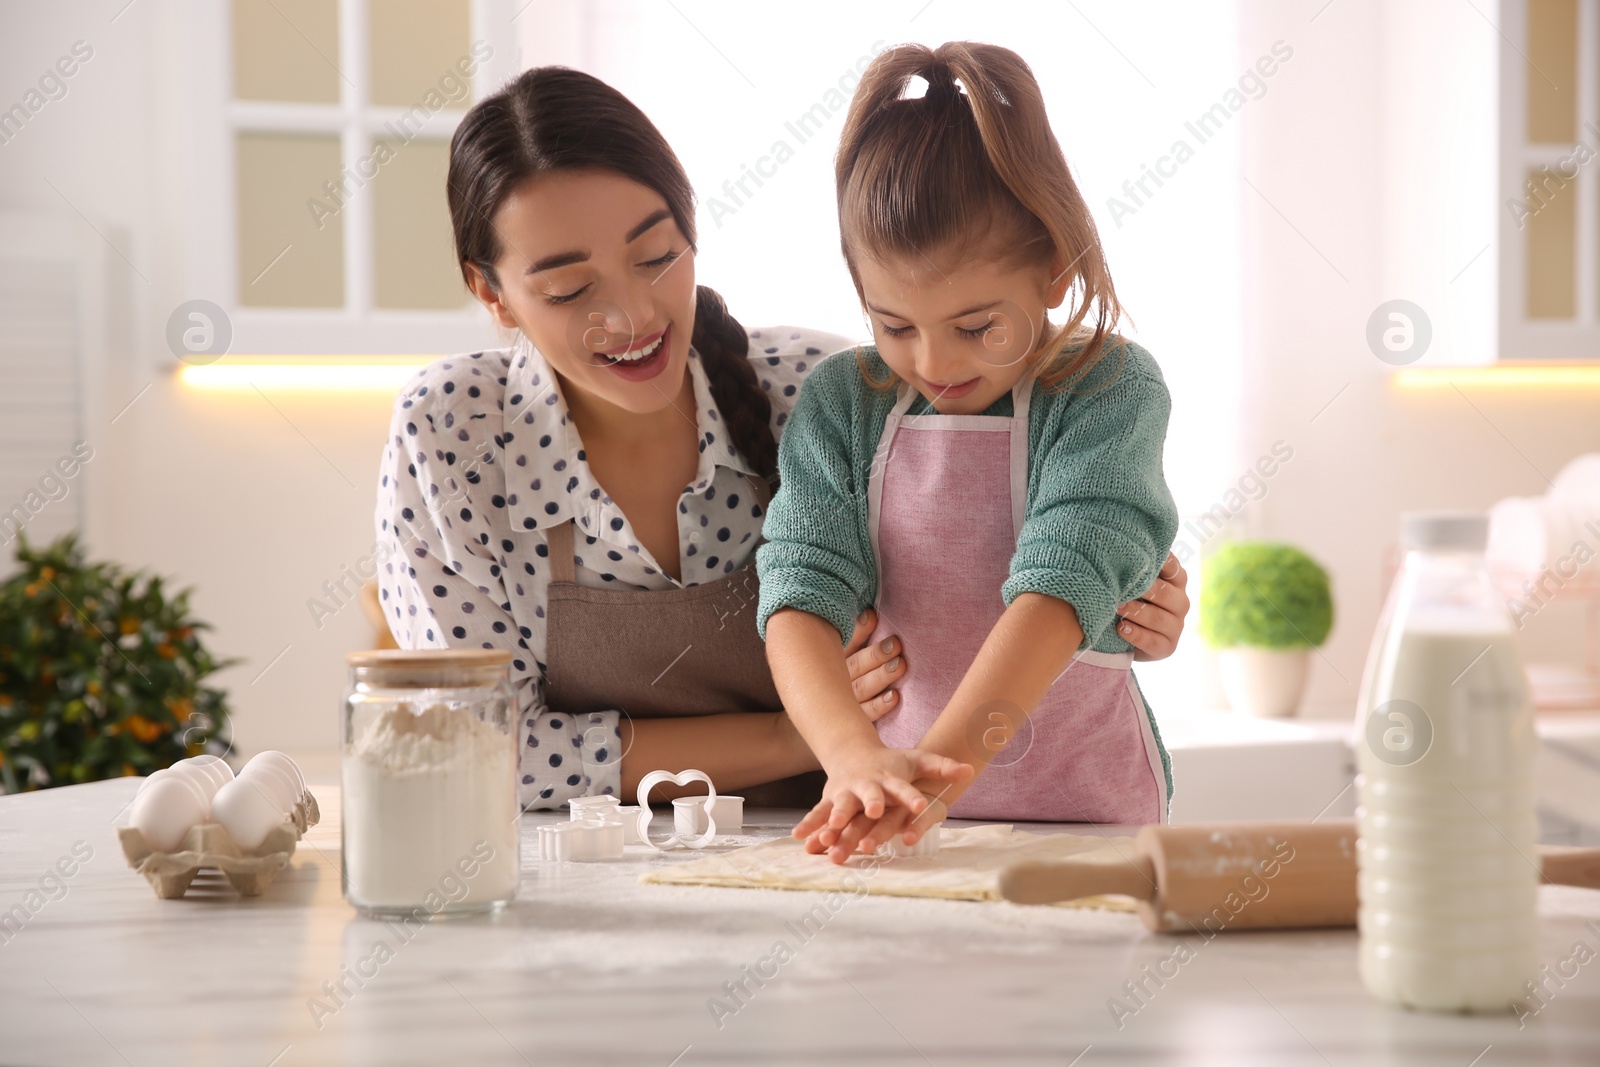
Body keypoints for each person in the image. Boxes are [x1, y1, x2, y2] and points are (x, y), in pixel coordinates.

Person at [374, 64, 1192, 811]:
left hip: (876, 828)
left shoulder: (810, 384)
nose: (630, 316)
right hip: (663, 850)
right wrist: (833, 747)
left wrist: (1128, 599)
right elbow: (486, 750)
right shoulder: (454, 433)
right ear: (493, 293)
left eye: (657, 256)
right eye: (568, 287)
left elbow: (1065, 562)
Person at [758, 42, 1180, 862]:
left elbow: (1064, 583)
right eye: (894, 326)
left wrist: (929, 778)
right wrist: (854, 758)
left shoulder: (1109, 389)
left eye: (977, 327)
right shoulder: (843, 401)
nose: (934, 364)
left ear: (1054, 269)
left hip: (1091, 826)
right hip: (893, 819)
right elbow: (799, 589)